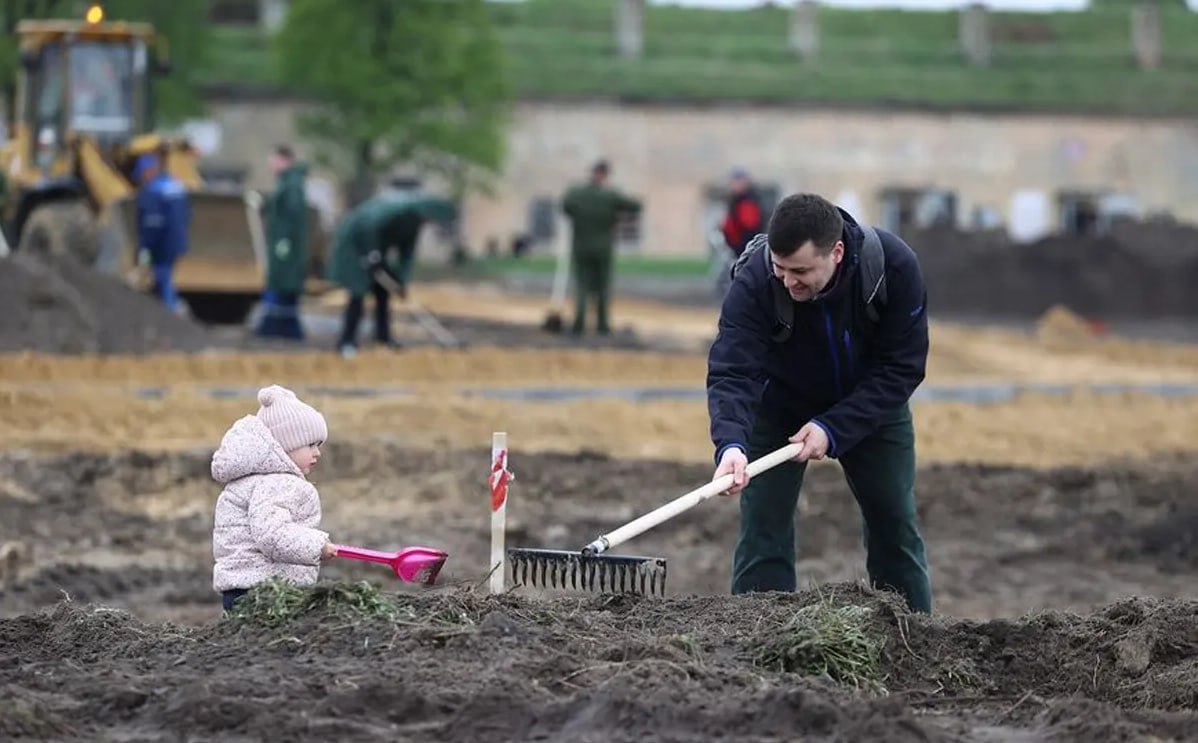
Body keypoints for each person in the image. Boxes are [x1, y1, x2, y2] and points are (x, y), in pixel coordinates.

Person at [706, 192, 933, 613]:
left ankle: (914, 636)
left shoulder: (892, 268)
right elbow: (733, 370)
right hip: (777, 410)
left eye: (801, 271)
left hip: (869, 409)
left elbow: (902, 367)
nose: (788, 282)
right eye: (780, 269)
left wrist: (835, 427)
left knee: (894, 523)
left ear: (837, 252)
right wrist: (731, 444)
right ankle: (756, 641)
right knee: (763, 530)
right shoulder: (756, 280)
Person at [211, 384, 338, 613]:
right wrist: (317, 546)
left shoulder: (253, 479)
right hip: (265, 593)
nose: (317, 452)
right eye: (310, 445)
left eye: (318, 445)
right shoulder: (278, 482)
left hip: (243, 590)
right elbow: (272, 534)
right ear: (283, 446)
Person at [326, 189, 457, 358]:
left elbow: (406, 253)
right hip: (355, 246)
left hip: (376, 251)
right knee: (357, 292)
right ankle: (346, 341)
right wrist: (372, 255)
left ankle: (383, 338)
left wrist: (401, 282)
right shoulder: (395, 211)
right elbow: (367, 226)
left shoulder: (414, 224)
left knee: (384, 291)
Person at [561, 160, 642, 336]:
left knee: (582, 285)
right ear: (605, 175)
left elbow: (565, 205)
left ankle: (579, 323)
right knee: (603, 286)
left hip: (581, 246)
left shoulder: (577, 194)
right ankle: (602, 324)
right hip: (603, 248)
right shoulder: (610, 196)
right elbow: (635, 207)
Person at [255, 145, 310, 341]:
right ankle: (283, 328)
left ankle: (275, 328)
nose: (271, 164)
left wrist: (285, 239)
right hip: (282, 242)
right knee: (283, 286)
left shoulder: (292, 184)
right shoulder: (286, 183)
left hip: (287, 246)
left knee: (283, 284)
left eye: (274, 160)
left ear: (285, 160)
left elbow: (291, 214)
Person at [134, 153, 190, 313]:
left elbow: (152, 223)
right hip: (177, 241)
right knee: (166, 276)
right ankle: (170, 307)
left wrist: (144, 248)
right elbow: (188, 214)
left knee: (161, 277)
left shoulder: (153, 192)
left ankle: (170, 310)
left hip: (162, 245)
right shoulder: (176, 186)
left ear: (149, 171)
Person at [720, 167, 763, 258]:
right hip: (735, 248)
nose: (734, 185)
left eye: (737, 181)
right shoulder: (736, 200)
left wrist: (743, 250)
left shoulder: (748, 201)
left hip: (743, 249)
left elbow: (750, 229)